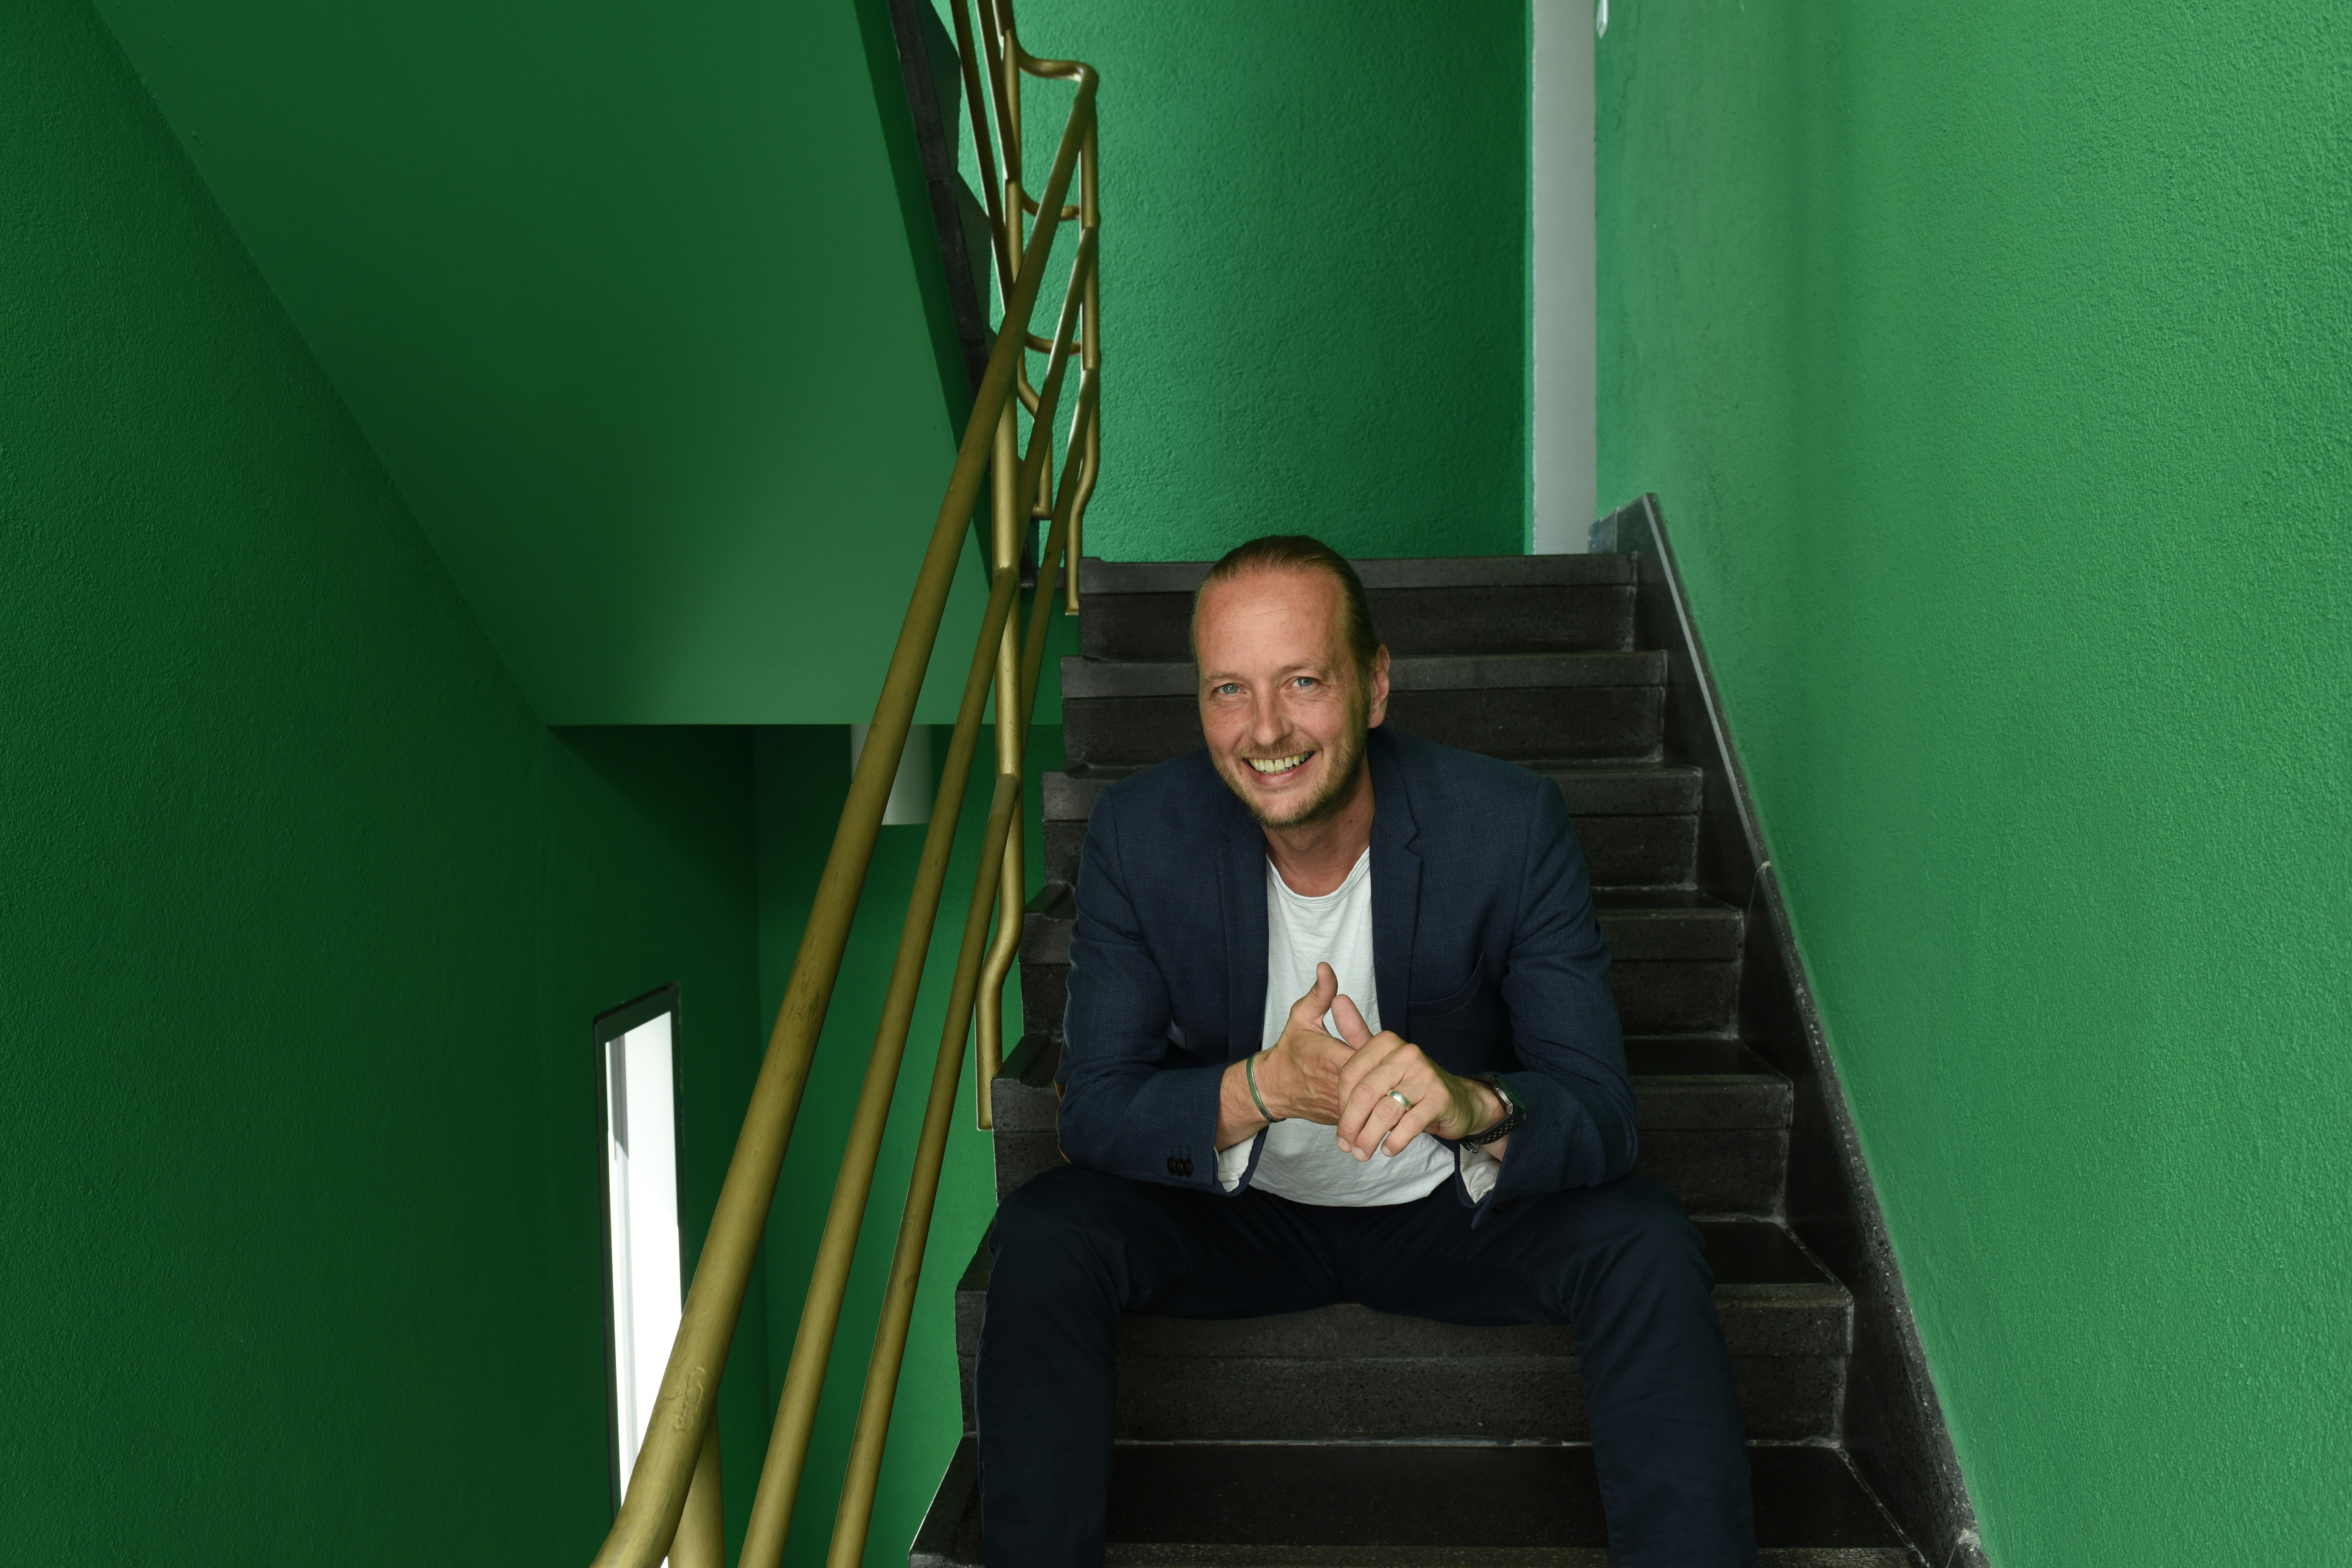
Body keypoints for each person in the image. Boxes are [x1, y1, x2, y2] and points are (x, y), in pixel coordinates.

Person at [976, 534, 1757, 1567]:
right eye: (1229, 691)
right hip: (1240, 1217)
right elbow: (1094, 1111)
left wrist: (1472, 1102)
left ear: (1375, 686)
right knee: (1042, 1233)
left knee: (1646, 1238)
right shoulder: (1138, 833)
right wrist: (1258, 1088)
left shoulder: (1509, 825)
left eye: (1303, 681)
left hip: (1445, 1210)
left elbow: (1603, 1110)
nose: (1265, 730)